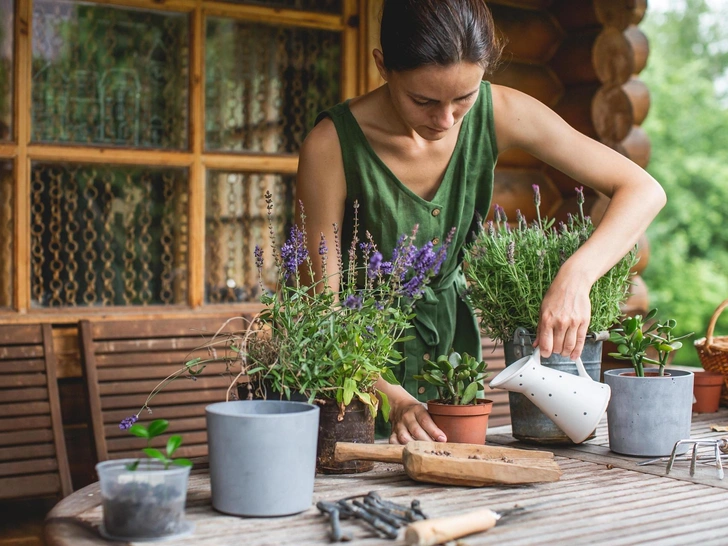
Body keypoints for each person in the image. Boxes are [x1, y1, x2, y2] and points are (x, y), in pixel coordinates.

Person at [295, 0, 666, 445]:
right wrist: (392, 396)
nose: (446, 119)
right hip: (355, 379)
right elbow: (323, 312)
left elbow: (643, 190)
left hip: (456, 360)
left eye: (464, 98)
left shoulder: (499, 111)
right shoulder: (330, 145)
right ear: (383, 66)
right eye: (424, 100)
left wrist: (576, 276)